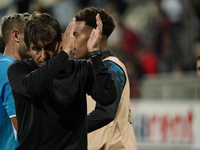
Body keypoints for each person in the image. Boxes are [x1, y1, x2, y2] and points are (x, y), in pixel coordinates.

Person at [7, 11, 117, 150]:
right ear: (28, 46)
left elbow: (107, 98)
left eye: (48, 47)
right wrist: (64, 53)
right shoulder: (18, 69)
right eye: (35, 49)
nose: (43, 55)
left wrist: (95, 53)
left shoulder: (82, 69)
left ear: (60, 41)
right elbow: (32, 88)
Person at [73, 7, 137, 150]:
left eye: (76, 35)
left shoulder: (112, 67)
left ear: (94, 35)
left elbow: (105, 113)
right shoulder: (85, 69)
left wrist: (66, 129)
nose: (73, 41)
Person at [0, 12, 31, 150]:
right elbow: (20, 122)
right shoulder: (9, 69)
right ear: (16, 35)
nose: (36, 40)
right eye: (31, 35)